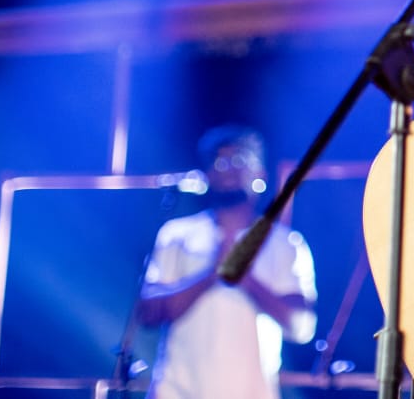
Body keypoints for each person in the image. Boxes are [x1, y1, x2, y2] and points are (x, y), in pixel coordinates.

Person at [136, 125, 317, 399]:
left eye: (240, 160)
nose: (229, 169)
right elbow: (147, 313)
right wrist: (211, 274)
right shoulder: (177, 234)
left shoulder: (285, 243)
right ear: (208, 173)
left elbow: (302, 326)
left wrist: (245, 279)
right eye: (220, 161)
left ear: (260, 174)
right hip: (176, 392)